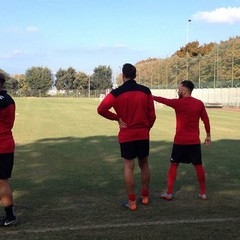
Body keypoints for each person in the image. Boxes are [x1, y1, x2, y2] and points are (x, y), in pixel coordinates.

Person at [97, 63, 156, 211]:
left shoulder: (117, 93)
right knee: (144, 164)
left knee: (129, 166)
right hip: (143, 134)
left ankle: (132, 202)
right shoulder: (146, 91)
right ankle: (145, 197)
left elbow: (101, 109)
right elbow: (152, 116)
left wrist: (116, 118)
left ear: (123, 75)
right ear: (135, 75)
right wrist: (146, 128)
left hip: (127, 134)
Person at [153, 80, 211, 201]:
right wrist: (208, 135)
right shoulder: (199, 103)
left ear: (184, 91)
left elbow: (163, 100)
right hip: (194, 142)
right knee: (198, 166)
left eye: (179, 89)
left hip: (180, 142)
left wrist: (149, 96)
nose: (178, 91)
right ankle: (203, 193)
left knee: (174, 165)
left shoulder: (178, 103)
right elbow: (206, 120)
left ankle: (169, 193)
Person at [0, 73, 17, 226]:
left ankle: (10, 217)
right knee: (2, 181)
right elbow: (10, 123)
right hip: (6, 144)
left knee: (1, 182)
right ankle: (10, 216)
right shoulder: (9, 100)